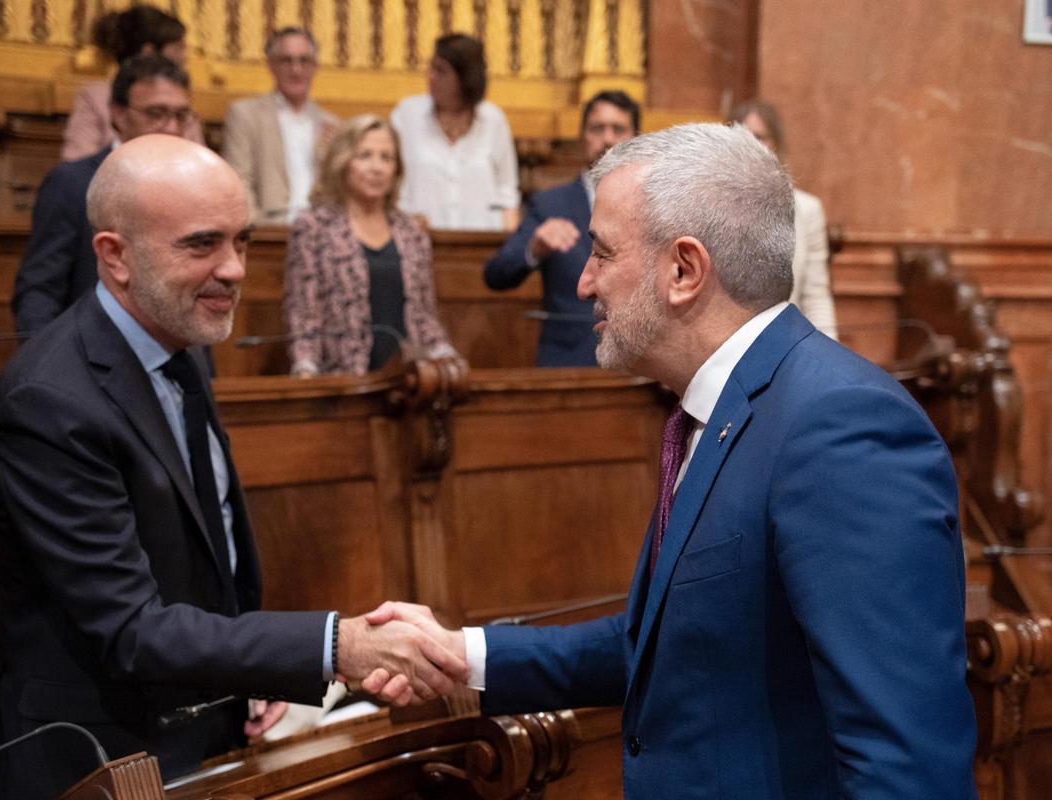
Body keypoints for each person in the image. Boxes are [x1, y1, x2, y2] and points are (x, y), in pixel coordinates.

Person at [368, 124, 978, 798]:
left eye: (601, 252)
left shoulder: (842, 426)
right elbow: (673, 643)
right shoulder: (721, 407)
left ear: (684, 271)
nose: (583, 283)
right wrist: (464, 655)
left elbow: (907, 767)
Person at [0, 134, 467, 799]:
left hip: (200, 731)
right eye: (202, 245)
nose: (235, 269)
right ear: (115, 256)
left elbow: (209, 556)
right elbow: (130, 630)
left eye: (243, 242)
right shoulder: (49, 401)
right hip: (98, 761)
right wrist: (333, 647)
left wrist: (250, 678)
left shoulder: (178, 345)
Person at [13, 55, 196, 334]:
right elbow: (39, 291)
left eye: (181, 116)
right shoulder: (72, 183)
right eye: (156, 113)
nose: (172, 128)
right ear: (118, 114)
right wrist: (52, 366)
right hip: (91, 360)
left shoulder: (195, 187)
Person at [284, 115, 458, 376]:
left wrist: (448, 360)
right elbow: (303, 315)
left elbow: (424, 316)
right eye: (365, 155)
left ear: (396, 169)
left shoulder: (411, 232)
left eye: (386, 158)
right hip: (341, 381)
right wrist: (305, 369)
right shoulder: (314, 227)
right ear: (343, 162)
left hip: (409, 382)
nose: (376, 167)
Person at [483, 90, 639, 366]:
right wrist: (534, 248)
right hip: (568, 364)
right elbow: (496, 274)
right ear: (583, 137)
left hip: (636, 365)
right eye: (597, 128)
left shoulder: (652, 205)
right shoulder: (551, 204)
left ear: (635, 137)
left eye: (618, 129)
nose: (607, 139)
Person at [728, 98, 838, 339]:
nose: (751, 146)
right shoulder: (707, 204)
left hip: (784, 342)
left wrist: (830, 358)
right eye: (742, 137)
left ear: (774, 144)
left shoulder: (807, 209)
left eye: (759, 137)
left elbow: (815, 294)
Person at [390, 33, 519, 231]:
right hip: (417, 241)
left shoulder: (494, 120)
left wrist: (509, 247)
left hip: (482, 242)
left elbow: (507, 193)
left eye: (440, 71)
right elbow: (389, 184)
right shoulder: (406, 115)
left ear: (466, 77)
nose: (430, 77)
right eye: (431, 68)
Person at [222, 27, 338, 224]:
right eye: (286, 61)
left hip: (321, 231)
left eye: (304, 61)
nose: (296, 70)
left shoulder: (332, 124)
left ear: (315, 66)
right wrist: (255, 230)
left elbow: (340, 190)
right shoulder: (245, 115)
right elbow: (238, 180)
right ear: (270, 65)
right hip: (268, 229)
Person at [61, 4, 205, 161]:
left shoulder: (179, 102)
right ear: (148, 52)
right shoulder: (95, 96)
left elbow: (200, 162)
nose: (185, 57)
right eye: (179, 48)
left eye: (180, 116)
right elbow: (78, 159)